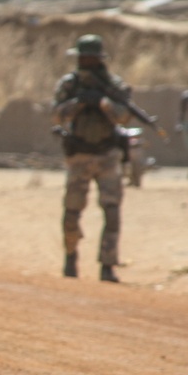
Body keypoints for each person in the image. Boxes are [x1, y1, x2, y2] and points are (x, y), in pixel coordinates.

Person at [52, 34, 133, 283]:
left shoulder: (113, 85)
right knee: (72, 210)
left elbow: (124, 116)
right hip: (80, 154)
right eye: (82, 57)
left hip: (107, 154)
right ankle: (70, 256)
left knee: (112, 211)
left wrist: (103, 104)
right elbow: (57, 115)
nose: (85, 61)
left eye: (89, 57)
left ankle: (107, 264)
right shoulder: (70, 84)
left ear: (98, 59)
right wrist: (78, 103)